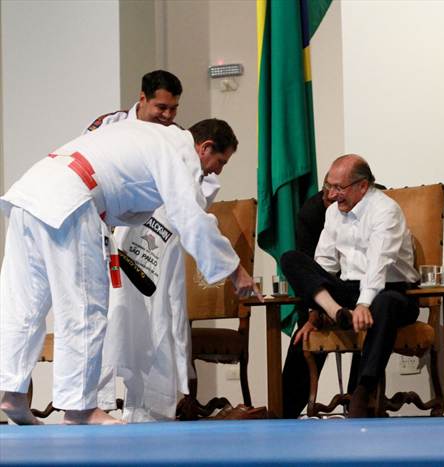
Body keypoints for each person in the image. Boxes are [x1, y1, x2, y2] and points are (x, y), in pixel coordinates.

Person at [0, 118, 261, 425]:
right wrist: (235, 270)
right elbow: (190, 216)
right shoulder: (176, 152)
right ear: (204, 148)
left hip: (30, 193)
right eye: (221, 162)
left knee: (23, 304)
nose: (216, 172)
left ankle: (11, 393)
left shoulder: (143, 133)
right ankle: (80, 407)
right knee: (84, 307)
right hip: (72, 199)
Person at [86, 70, 220, 422]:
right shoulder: (108, 127)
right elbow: (87, 172)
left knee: (157, 323)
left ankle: (147, 408)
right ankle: (98, 403)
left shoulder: (176, 139)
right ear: (142, 98)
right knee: (109, 319)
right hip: (108, 237)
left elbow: (195, 194)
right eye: (162, 107)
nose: (168, 115)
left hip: (155, 247)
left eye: (174, 109)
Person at [280, 154, 419, 418]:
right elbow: (324, 264)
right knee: (291, 259)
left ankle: (363, 391)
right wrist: (315, 313)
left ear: (362, 186)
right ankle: (284, 410)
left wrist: (364, 304)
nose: (331, 195)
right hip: (347, 294)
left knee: (383, 304)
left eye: (338, 188)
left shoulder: (385, 211)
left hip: (393, 291)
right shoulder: (333, 212)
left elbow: (378, 263)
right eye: (329, 187)